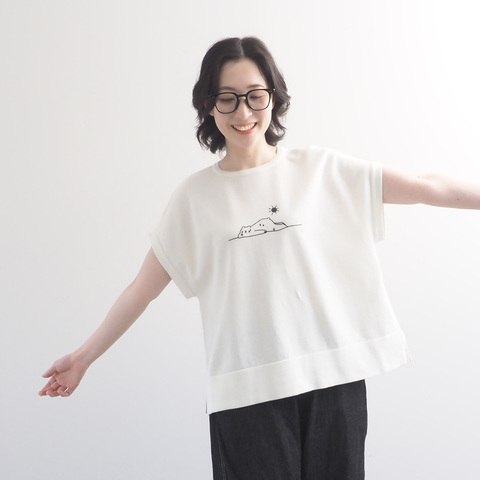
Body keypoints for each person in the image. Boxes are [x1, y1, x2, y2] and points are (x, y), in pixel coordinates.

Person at [39, 37, 480, 480]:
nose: (243, 112)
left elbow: (425, 185)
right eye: (227, 99)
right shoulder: (193, 198)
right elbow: (141, 291)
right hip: (245, 394)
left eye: (254, 96)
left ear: (273, 97)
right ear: (209, 106)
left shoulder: (321, 170)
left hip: (333, 380)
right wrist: (83, 357)